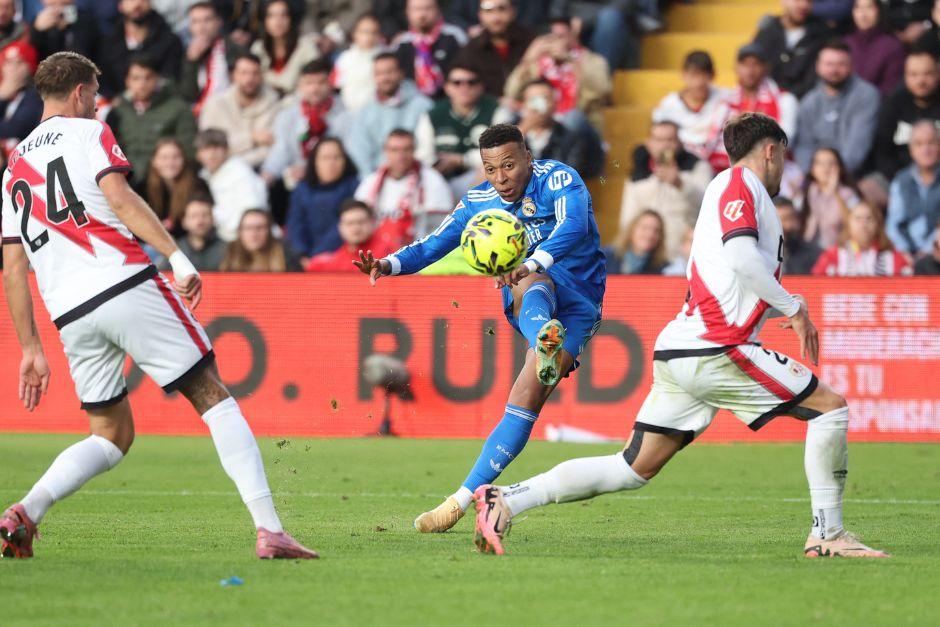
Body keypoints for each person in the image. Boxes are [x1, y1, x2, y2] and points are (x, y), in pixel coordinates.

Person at [471, 113, 889, 561]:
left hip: (683, 348)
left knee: (631, 468)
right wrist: (794, 306)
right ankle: (827, 533)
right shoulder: (740, 185)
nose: (784, 167)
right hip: (716, 345)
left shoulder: (729, 189)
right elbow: (742, 254)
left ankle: (507, 500)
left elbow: (739, 265)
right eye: (783, 156)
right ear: (771, 150)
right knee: (830, 409)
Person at [0, 51, 316, 560]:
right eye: (96, 94)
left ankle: (26, 512)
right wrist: (177, 256)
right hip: (124, 283)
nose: (97, 103)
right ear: (81, 92)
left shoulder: (13, 166)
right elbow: (120, 198)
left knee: (110, 433)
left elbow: (13, 268)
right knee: (212, 396)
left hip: (68, 314)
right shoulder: (90, 132)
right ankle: (270, 529)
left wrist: (30, 348)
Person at [354, 123, 606, 535]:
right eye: (492, 169)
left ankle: (546, 340)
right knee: (527, 287)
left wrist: (534, 260)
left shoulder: (559, 178)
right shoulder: (478, 201)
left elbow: (574, 226)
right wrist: (387, 265)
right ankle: (456, 504)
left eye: (509, 165)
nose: (501, 177)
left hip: (582, 296)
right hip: (532, 286)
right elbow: (433, 245)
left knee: (528, 392)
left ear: (528, 155)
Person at [415, 63, 509, 198]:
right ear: (447, 87)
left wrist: (462, 160)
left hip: (479, 180)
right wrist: (435, 165)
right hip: (440, 181)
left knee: (489, 171)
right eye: (457, 83)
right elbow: (423, 155)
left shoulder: (496, 110)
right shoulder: (433, 114)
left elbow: (501, 152)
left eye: (471, 82)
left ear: (481, 86)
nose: (464, 88)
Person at [502, 16, 611, 133]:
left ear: (572, 35)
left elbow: (601, 92)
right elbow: (511, 92)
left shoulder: (592, 60)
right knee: (504, 111)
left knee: (572, 118)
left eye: (562, 36)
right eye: (553, 37)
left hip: (577, 121)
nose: (557, 42)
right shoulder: (536, 62)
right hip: (540, 118)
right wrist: (528, 59)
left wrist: (571, 61)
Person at [105, 56, 197, 189]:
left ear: (157, 79)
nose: (142, 84)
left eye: (148, 77)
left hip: (167, 181)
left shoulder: (178, 108)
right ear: (127, 81)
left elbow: (189, 152)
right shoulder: (117, 111)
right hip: (126, 182)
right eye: (136, 78)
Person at [791, 41, 879, 177]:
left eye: (841, 64)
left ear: (851, 66)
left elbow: (857, 148)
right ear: (818, 67)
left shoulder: (866, 95)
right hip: (816, 176)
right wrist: (813, 175)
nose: (834, 70)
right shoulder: (808, 102)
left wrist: (834, 178)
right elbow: (803, 146)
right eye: (829, 64)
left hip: (859, 175)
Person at [354, 128, 453, 248]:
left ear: (414, 150)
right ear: (385, 151)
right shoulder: (370, 182)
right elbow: (356, 222)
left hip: (416, 253)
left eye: (406, 149)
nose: (400, 156)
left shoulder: (432, 180)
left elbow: (439, 228)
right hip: (374, 252)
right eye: (394, 150)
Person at [705, 44, 798, 172]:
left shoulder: (784, 100)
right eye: (745, 64)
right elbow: (709, 141)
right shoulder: (723, 100)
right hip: (724, 168)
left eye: (755, 64)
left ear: (766, 68)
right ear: (736, 68)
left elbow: (785, 141)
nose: (750, 70)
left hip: (770, 169)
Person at [261, 58, 348, 192]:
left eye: (321, 82)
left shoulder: (345, 116)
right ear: (300, 86)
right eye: (309, 83)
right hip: (297, 182)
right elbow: (280, 151)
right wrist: (267, 176)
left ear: (330, 83)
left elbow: (346, 157)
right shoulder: (288, 116)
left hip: (335, 181)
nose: (314, 89)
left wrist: (310, 170)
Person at [345, 53, 433, 174]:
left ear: (401, 74)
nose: (385, 78)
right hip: (376, 179)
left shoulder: (422, 105)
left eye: (390, 72)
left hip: (415, 175)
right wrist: (372, 182)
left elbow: (426, 148)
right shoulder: (365, 111)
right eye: (379, 73)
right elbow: (358, 150)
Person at [198, 53, 282, 169]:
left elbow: (271, 147)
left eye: (255, 73)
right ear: (234, 76)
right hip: (220, 170)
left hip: (262, 168)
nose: (249, 79)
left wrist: (234, 158)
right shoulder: (215, 104)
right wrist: (252, 138)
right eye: (244, 73)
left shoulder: (273, 102)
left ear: (262, 76)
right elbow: (209, 149)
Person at [619, 148, 700, 262]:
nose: (649, 234)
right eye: (645, 228)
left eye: (656, 231)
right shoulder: (636, 180)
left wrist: (680, 184)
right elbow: (626, 220)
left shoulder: (696, 169)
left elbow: (704, 205)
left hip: (677, 258)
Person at [286, 137, 359, 263]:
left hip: (342, 257)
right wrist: (301, 254)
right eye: (325, 158)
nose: (331, 163)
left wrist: (316, 256)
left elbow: (346, 225)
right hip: (304, 260)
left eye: (337, 157)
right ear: (315, 161)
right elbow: (295, 225)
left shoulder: (355, 187)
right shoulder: (302, 189)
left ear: (345, 161)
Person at [515, 79, 604, 179]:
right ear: (523, 104)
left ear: (555, 103)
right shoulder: (515, 136)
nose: (537, 107)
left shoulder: (571, 138)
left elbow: (569, 177)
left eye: (544, 99)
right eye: (533, 100)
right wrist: (520, 133)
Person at [873, 49, 940, 180]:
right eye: (914, 75)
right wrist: (900, 180)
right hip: (897, 176)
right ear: (905, 76)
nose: (921, 81)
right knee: (866, 189)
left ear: (938, 74)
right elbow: (881, 151)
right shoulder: (893, 102)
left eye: (928, 74)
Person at [195, 129, 269, 242]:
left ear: (227, 150)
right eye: (206, 149)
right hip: (224, 237)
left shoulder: (241, 173)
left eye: (217, 148)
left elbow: (252, 211)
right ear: (198, 155)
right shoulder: (204, 176)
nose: (212, 154)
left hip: (244, 239)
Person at [98, 0, 182, 96]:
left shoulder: (170, 41)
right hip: (117, 105)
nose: (137, 4)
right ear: (120, 6)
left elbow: (170, 79)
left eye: (143, 0)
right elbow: (102, 79)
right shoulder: (107, 43)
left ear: (150, 4)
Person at [452, 0, 534, 97]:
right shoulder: (471, 50)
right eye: (488, 10)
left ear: (513, 12)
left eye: (502, 9)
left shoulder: (532, 42)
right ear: (480, 15)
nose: (496, 17)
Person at [751, 0, 832, 99]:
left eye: (809, 1)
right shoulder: (766, 33)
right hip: (770, 102)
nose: (803, 5)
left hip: (808, 102)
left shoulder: (822, 34)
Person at [652, 51, 723, 161]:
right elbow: (658, 143)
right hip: (680, 164)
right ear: (684, 75)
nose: (699, 82)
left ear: (713, 75)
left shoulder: (725, 100)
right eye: (694, 75)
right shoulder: (668, 105)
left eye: (704, 75)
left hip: (718, 167)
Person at [179, 2, 246, 115]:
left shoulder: (233, 49)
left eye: (207, 20)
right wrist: (191, 62)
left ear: (218, 22)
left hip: (230, 110)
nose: (202, 27)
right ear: (190, 27)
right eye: (195, 22)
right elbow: (188, 95)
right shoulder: (183, 52)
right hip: (198, 112)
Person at [812, 201, 913, 275]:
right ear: (849, 224)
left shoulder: (895, 258)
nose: (863, 224)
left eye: (869, 219)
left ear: (877, 224)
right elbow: (815, 291)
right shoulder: (831, 257)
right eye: (858, 219)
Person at [392, 0, 467, 99]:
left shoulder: (454, 36)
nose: (422, 14)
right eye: (417, 9)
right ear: (407, 12)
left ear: (438, 10)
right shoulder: (400, 44)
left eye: (428, 8)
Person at [886, 120, 940, 257]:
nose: (926, 149)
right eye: (919, 144)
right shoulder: (901, 180)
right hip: (906, 255)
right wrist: (904, 253)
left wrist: (927, 252)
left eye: (931, 143)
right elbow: (893, 224)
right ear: (911, 150)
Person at [631, 121, 713, 207]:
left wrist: (680, 184)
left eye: (670, 140)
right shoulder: (638, 171)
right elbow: (630, 214)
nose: (665, 145)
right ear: (648, 143)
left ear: (680, 143)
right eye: (659, 140)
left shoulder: (698, 167)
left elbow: (707, 204)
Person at [249, 0, 319, 95]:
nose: (278, 21)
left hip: (298, 103)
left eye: (283, 15)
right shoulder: (257, 48)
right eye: (271, 16)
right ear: (264, 20)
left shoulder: (306, 47)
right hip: (264, 105)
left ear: (291, 19)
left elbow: (315, 82)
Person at [305, 200, 395, 271]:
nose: (356, 228)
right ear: (340, 227)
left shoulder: (390, 254)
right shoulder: (335, 260)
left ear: (372, 223)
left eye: (361, 222)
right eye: (349, 223)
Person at [801, 147, 861, 248]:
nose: (826, 168)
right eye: (820, 163)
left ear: (840, 168)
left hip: (839, 248)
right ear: (812, 169)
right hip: (809, 245)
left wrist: (833, 191)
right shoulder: (810, 190)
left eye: (831, 163)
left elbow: (855, 222)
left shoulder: (848, 194)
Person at [843, 0, 905, 96]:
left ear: (879, 11)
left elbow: (891, 87)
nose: (863, 14)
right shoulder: (845, 43)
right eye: (858, 8)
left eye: (869, 7)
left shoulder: (892, 46)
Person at [144, 138, 203, 237]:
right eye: (164, 158)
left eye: (176, 157)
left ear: (184, 160)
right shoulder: (142, 188)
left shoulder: (197, 186)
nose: (170, 163)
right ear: (154, 161)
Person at [156, 192, 227, 271]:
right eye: (194, 216)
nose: (200, 221)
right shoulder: (174, 250)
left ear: (213, 219)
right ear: (184, 222)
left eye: (205, 215)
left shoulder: (227, 250)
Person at [219, 209, 302, 272]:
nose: (254, 234)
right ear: (240, 232)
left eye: (260, 228)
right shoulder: (228, 254)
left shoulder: (285, 254)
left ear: (269, 230)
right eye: (248, 228)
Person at [333, 13, 382, 114]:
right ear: (355, 34)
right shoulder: (344, 59)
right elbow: (336, 87)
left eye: (374, 32)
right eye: (365, 32)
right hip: (348, 113)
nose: (369, 37)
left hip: (376, 112)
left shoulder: (385, 58)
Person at [0, 41, 42, 144]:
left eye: (19, 62)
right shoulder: (5, 93)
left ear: (30, 66)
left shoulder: (36, 96)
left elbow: (16, 129)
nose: (13, 68)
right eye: (8, 62)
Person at [29, 0, 98, 62]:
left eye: (64, 4)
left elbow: (83, 54)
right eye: (52, 5)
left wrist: (69, 27)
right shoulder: (38, 23)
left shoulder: (85, 20)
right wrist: (38, 31)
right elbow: (35, 56)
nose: (59, 9)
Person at [604, 209, 668, 275]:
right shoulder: (604, 258)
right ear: (632, 230)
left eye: (656, 230)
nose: (650, 235)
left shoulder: (663, 269)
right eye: (645, 228)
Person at [775, 196, 823, 274]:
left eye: (790, 218)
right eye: (781, 220)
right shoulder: (759, 255)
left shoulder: (814, 256)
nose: (788, 226)